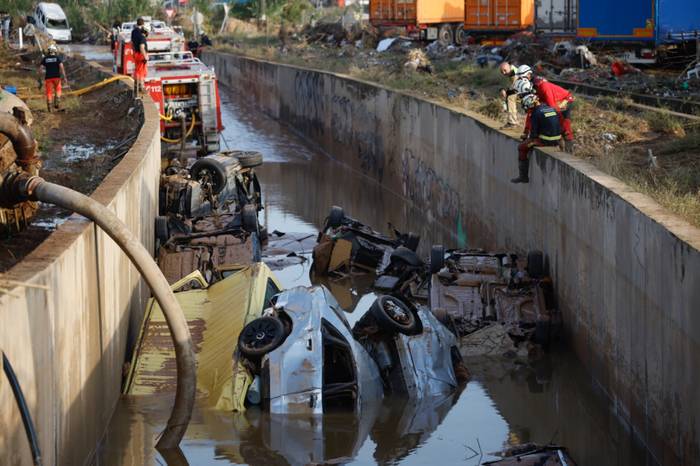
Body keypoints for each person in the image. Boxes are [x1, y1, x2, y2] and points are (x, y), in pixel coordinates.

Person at [512, 93, 561, 184]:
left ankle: (523, 177)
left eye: (528, 107)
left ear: (531, 104)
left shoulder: (536, 113)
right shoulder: (550, 108)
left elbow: (534, 133)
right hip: (557, 139)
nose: (528, 109)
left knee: (521, 147)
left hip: (545, 141)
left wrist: (529, 140)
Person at [531, 76, 575, 152]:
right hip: (558, 102)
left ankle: (568, 148)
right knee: (556, 122)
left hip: (564, 100)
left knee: (564, 125)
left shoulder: (544, 87)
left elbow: (552, 106)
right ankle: (562, 145)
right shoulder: (540, 89)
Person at [498, 62, 533, 129]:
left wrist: (505, 92)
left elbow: (515, 88)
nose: (504, 73)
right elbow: (510, 86)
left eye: (505, 70)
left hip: (527, 90)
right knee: (509, 96)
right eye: (502, 72)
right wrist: (502, 89)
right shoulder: (510, 72)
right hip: (524, 89)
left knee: (510, 98)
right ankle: (512, 120)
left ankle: (512, 122)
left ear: (509, 67)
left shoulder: (514, 73)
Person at [40, 43, 67, 112]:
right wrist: (64, 77)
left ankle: (49, 108)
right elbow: (62, 67)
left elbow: (40, 69)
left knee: (49, 92)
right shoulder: (57, 58)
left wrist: (40, 78)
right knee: (58, 90)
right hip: (57, 78)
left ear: (49, 51)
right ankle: (57, 103)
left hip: (48, 78)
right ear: (55, 51)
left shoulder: (45, 59)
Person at [130, 17, 148, 98]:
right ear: (143, 24)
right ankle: (141, 88)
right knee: (141, 72)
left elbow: (132, 43)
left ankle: (136, 87)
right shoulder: (142, 36)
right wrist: (146, 56)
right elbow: (142, 47)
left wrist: (133, 52)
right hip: (141, 55)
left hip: (136, 53)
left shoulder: (133, 32)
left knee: (138, 70)